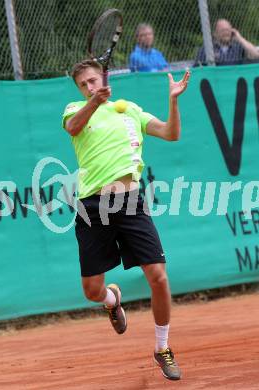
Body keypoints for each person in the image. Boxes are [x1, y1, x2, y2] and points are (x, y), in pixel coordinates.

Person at [62, 59, 190, 381]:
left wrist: (173, 100)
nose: (90, 87)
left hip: (131, 201)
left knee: (158, 276)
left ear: (104, 78)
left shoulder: (129, 109)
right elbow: (73, 127)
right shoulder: (76, 109)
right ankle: (112, 299)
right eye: (84, 84)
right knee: (92, 290)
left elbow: (171, 133)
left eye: (93, 81)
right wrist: (93, 101)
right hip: (92, 206)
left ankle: (162, 349)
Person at [195, 18, 259, 66]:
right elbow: (198, 69)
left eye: (228, 30)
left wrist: (240, 38)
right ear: (215, 33)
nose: (226, 33)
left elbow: (256, 55)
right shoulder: (206, 50)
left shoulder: (238, 47)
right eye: (222, 30)